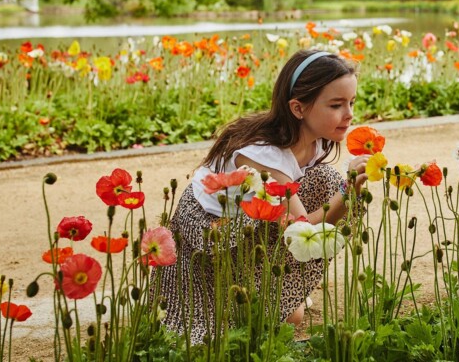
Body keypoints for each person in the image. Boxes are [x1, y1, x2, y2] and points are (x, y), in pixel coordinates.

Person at [156, 49, 369, 344]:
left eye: (351, 102)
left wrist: (347, 194)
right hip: (212, 238)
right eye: (336, 105)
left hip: (252, 220)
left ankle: (274, 292)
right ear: (298, 108)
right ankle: (237, 298)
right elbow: (302, 232)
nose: (349, 114)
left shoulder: (316, 138)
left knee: (326, 180)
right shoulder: (263, 157)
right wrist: (347, 191)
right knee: (276, 322)